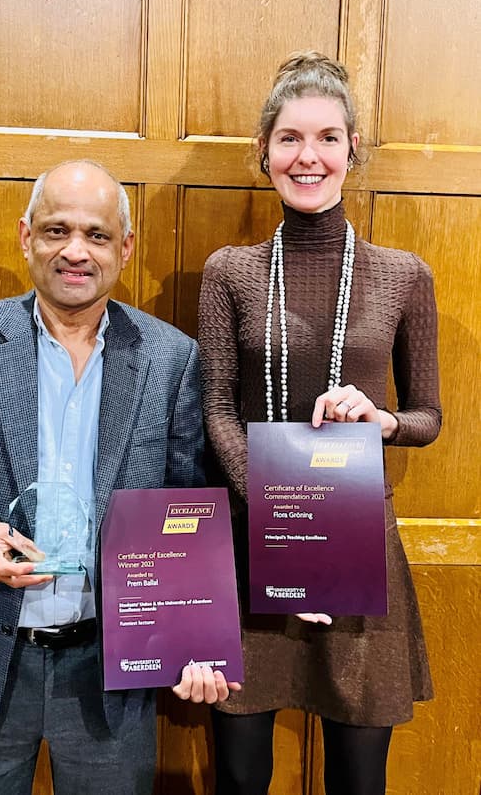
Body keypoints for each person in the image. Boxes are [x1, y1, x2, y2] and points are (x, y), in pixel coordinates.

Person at [0, 160, 232, 795]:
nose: (75, 251)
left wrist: (191, 638)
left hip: (110, 672)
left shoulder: (171, 358)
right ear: (25, 236)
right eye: (57, 230)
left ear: (125, 247)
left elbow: (185, 507)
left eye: (97, 235)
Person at [197, 52, 441, 795]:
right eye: (290, 139)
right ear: (264, 151)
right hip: (252, 545)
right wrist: (280, 525)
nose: (309, 157)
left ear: (352, 149)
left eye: (328, 138)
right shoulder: (230, 271)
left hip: (358, 549)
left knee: (360, 778)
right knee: (240, 774)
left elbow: (428, 416)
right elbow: (217, 407)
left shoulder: (403, 274)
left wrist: (382, 419)